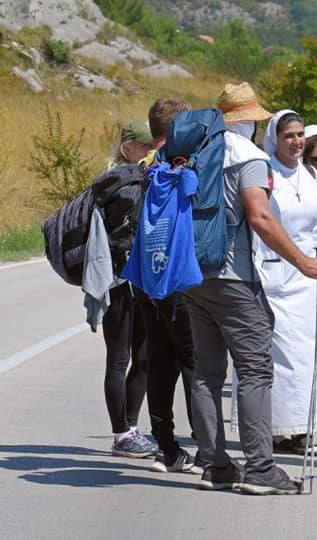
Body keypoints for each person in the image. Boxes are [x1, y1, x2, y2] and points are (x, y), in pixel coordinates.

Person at [186, 82, 317, 495]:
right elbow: (261, 218)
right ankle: (260, 467)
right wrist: (303, 261)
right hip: (235, 278)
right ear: (250, 120)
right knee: (254, 369)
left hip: (195, 276)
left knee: (207, 375)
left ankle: (215, 465)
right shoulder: (247, 156)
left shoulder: (198, 153)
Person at [249, 109, 317, 455]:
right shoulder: (265, 173)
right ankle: (271, 429)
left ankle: (302, 430)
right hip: (274, 274)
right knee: (275, 356)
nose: (296, 142)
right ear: (276, 138)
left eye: (300, 134)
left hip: (308, 278)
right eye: (289, 136)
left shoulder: (311, 175)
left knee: (306, 358)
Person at [138, 97, 200, 474]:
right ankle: (209, 448)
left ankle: (165, 446)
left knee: (159, 359)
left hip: (146, 272)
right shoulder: (180, 162)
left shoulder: (143, 165)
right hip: (178, 274)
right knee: (195, 361)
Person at [94, 119, 156, 460]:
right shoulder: (122, 182)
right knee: (120, 358)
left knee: (144, 357)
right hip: (119, 280)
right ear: (127, 148)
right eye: (145, 146)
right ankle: (122, 432)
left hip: (138, 281)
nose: (150, 151)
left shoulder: (135, 179)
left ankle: (130, 430)